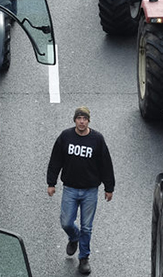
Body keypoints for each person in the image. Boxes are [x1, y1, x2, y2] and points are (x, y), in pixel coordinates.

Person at [47, 107, 115, 275]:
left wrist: (109, 188)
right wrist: (51, 182)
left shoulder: (97, 139)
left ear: (88, 121)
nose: (82, 121)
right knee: (66, 222)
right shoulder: (65, 136)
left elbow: (106, 164)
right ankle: (73, 237)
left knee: (87, 227)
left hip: (90, 191)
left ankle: (84, 258)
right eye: (79, 118)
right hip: (70, 189)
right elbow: (56, 160)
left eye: (85, 118)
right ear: (75, 120)